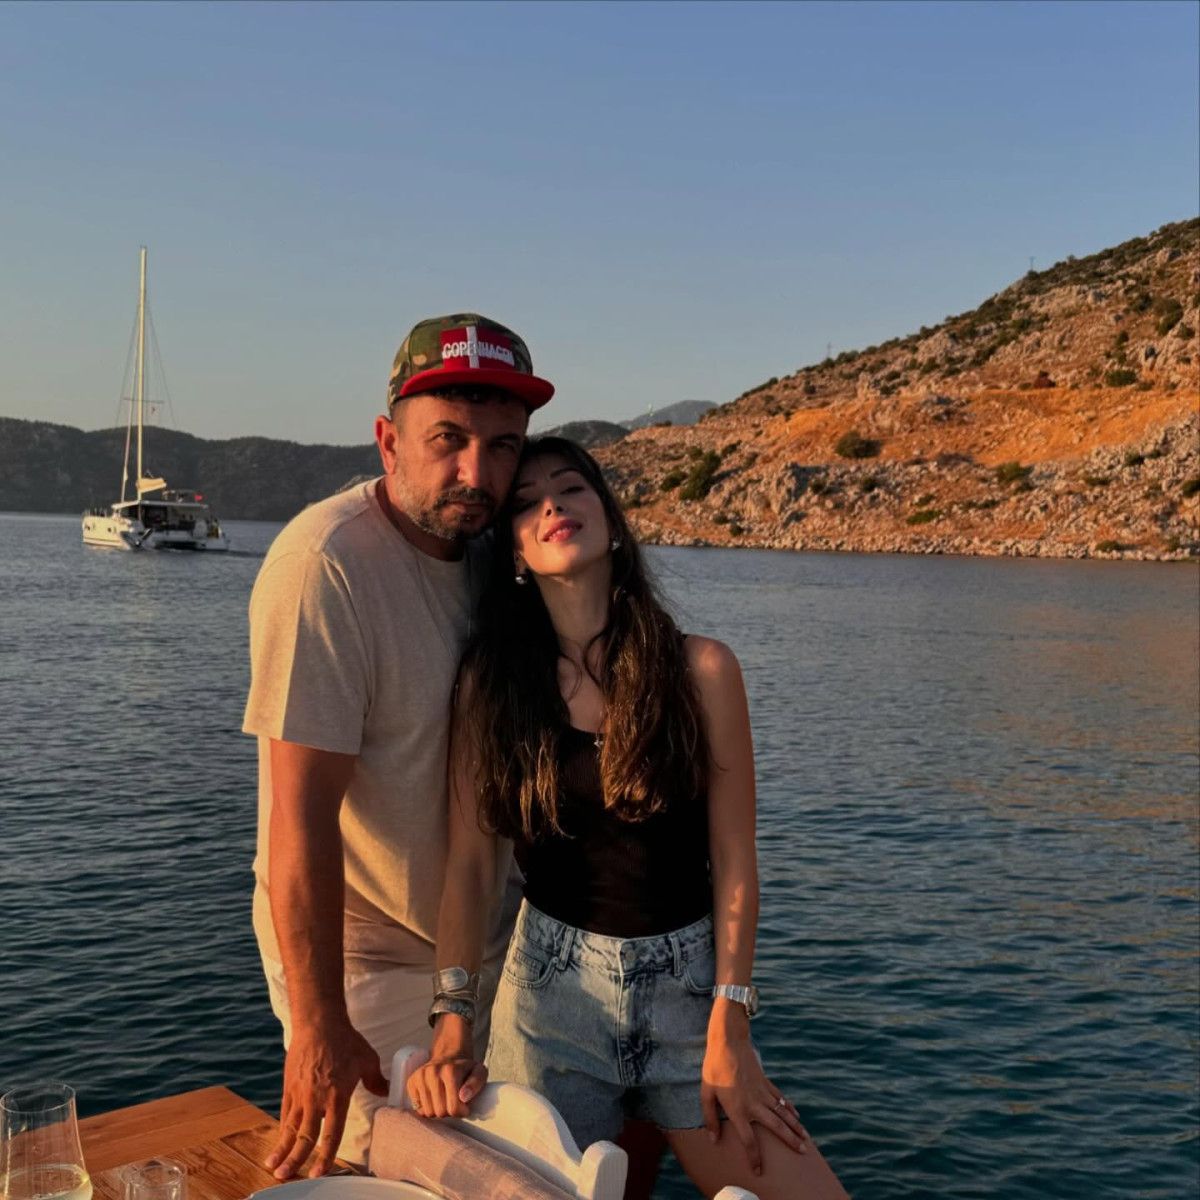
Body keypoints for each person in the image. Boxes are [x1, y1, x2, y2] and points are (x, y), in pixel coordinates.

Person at [409, 437, 850, 1199]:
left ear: (611, 521)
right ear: (515, 553)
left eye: (571, 488)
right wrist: (452, 1019)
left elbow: (734, 860)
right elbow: (473, 865)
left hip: (690, 999)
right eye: (526, 502)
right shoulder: (493, 684)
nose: (552, 505)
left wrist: (730, 1025)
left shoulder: (702, 671)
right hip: (549, 1002)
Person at [242, 313, 553, 1178]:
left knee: (539, 1153)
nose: (476, 473)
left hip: (487, 943)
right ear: (388, 441)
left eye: (502, 446)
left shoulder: (493, 552)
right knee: (402, 1170)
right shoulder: (326, 566)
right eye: (447, 439)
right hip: (364, 950)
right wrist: (318, 1026)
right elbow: (298, 820)